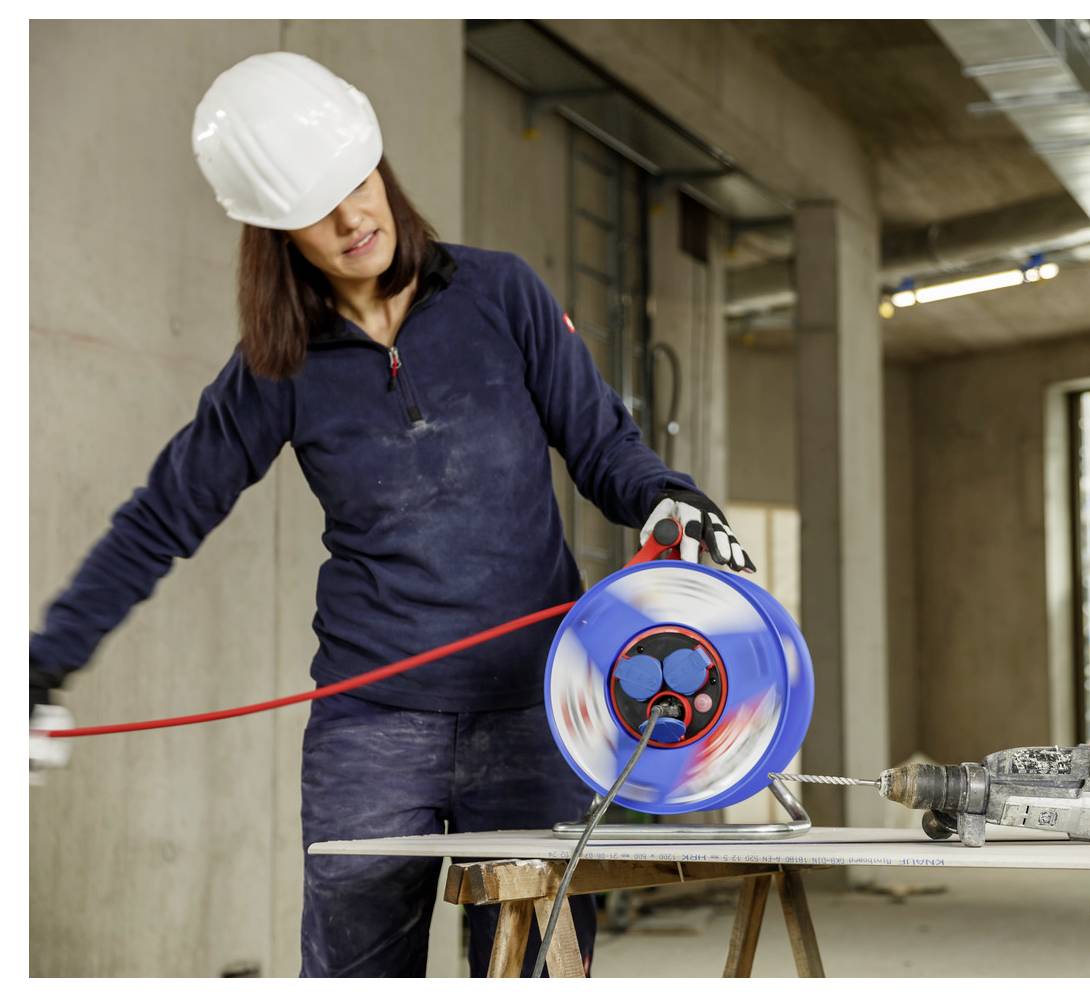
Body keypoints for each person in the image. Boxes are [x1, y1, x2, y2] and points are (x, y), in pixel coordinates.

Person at [28, 51, 753, 978]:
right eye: (315, 211)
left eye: (358, 182)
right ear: (275, 232)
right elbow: (159, 519)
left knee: (539, 974)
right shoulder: (275, 367)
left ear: (380, 162)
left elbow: (606, 449)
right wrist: (44, 663)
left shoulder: (503, 295)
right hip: (370, 731)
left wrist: (671, 501)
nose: (352, 218)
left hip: (537, 711)